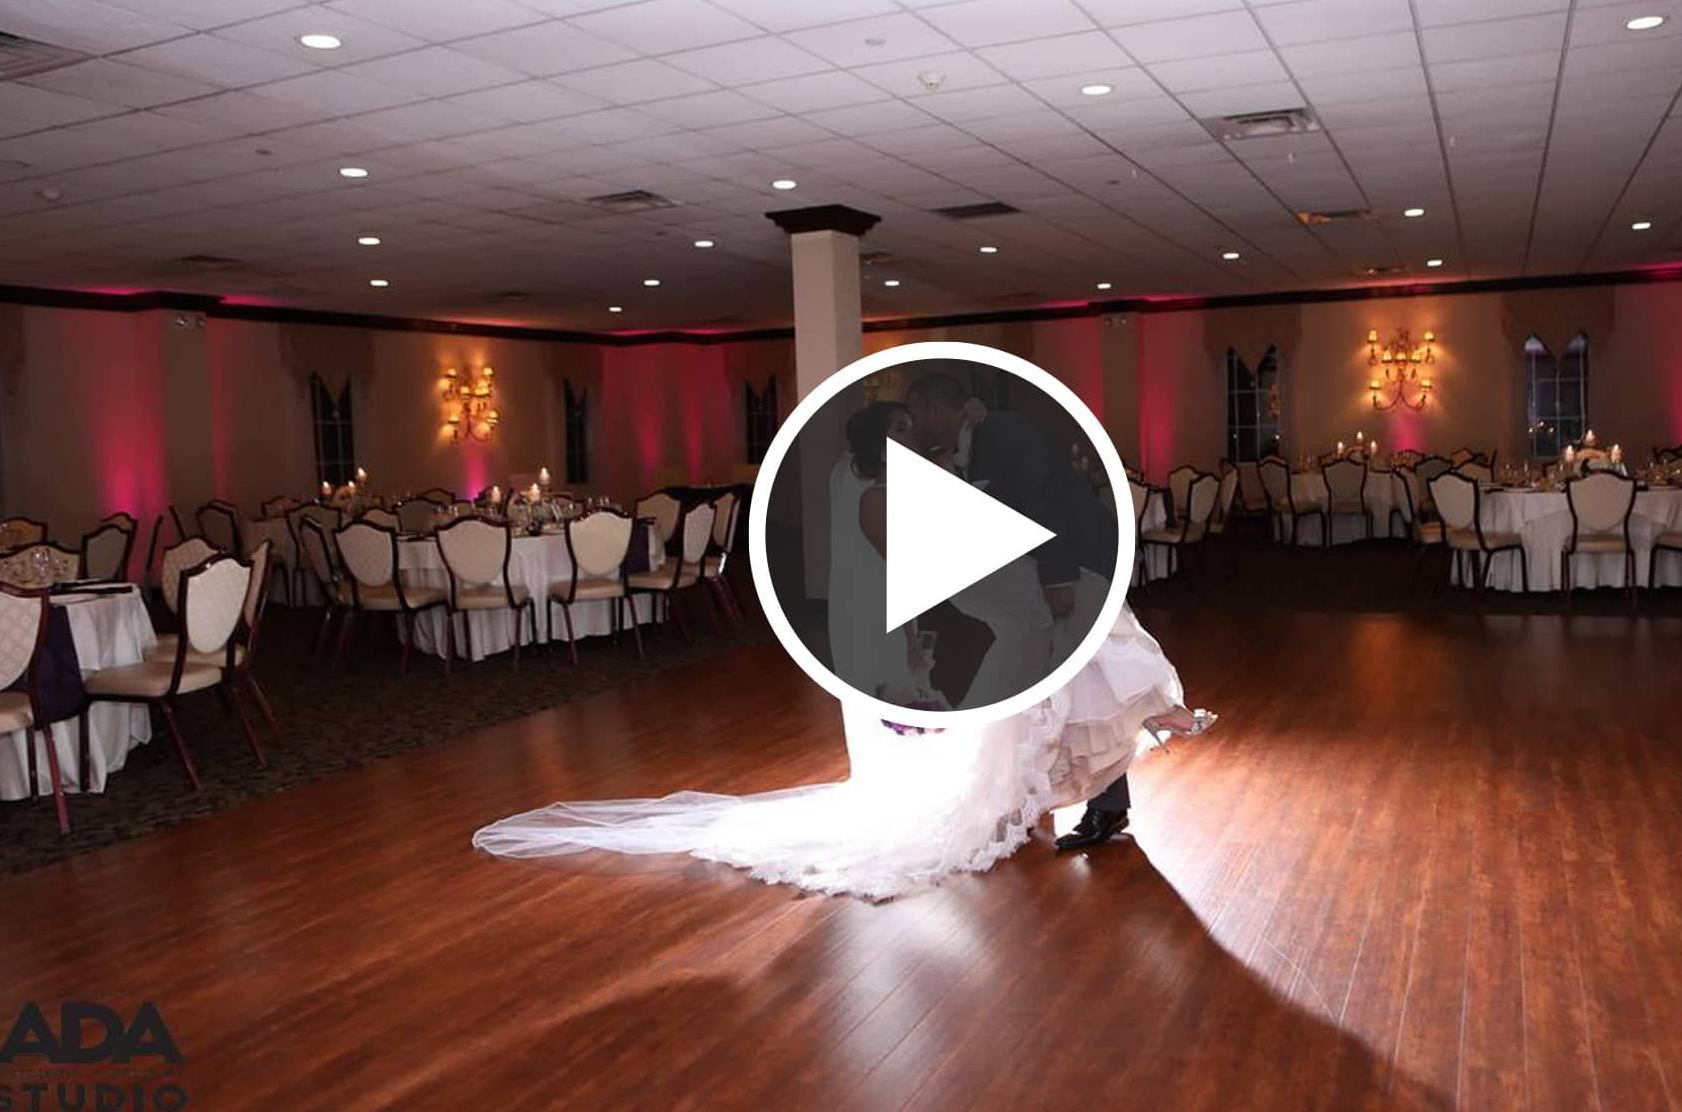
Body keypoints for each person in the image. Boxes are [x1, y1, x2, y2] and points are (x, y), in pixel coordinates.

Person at [473, 402, 1215, 898]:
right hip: (996, 599)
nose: (919, 435)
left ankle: (1119, 747)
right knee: (1060, 671)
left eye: (916, 425)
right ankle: (1123, 741)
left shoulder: (937, 479)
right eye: (904, 429)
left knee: (1074, 660)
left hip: (1017, 602)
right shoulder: (876, 498)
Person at [902, 373, 1147, 850]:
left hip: (1078, 570)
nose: (917, 427)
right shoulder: (959, 449)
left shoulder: (1006, 432)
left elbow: (1045, 506)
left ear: (935, 409)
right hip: (1033, 592)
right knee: (1050, 695)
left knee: (1085, 690)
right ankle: (1037, 799)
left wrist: (1059, 582)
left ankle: (1107, 806)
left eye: (917, 417)